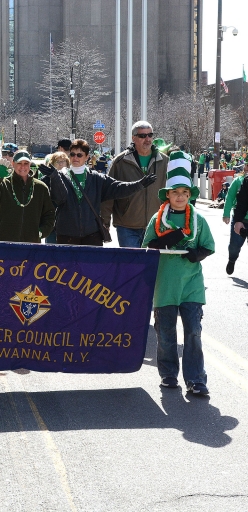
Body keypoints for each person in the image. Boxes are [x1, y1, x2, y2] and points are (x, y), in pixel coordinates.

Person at [142, 151, 214, 395]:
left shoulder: (198, 219)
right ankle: (168, 374)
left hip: (191, 285)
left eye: (185, 193)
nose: (180, 197)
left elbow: (208, 246)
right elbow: (147, 248)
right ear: (168, 195)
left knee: (193, 332)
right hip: (165, 286)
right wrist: (167, 240)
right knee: (165, 333)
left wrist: (198, 254)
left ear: (189, 195)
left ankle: (196, 379)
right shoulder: (157, 219)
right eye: (176, 192)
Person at [45, 139, 157, 246]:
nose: (75, 157)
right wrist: (52, 178)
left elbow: (119, 187)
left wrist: (139, 184)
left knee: (92, 266)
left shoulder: (96, 178)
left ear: (87, 157)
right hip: (66, 235)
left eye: (79, 155)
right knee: (67, 266)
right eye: (72, 154)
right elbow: (54, 198)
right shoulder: (60, 176)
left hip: (92, 235)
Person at [101, 121, 168, 248]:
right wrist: (105, 222)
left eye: (150, 135)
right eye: (142, 136)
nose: (147, 139)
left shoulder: (164, 161)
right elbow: (108, 192)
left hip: (156, 224)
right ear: (134, 138)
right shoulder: (120, 162)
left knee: (153, 265)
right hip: (127, 226)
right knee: (131, 266)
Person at [0, 150, 55, 243]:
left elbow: (49, 214)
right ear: (13, 163)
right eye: (19, 163)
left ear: (30, 164)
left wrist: (41, 232)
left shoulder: (41, 187)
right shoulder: (4, 184)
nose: (23, 166)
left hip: (31, 245)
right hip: (4, 244)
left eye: (26, 163)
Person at [39, 151, 70, 244]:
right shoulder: (45, 180)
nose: (61, 164)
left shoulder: (71, 179)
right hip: (52, 222)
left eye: (63, 161)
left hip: (69, 222)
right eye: (58, 162)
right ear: (51, 164)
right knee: (51, 251)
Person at [224, 164, 248, 275]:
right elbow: (230, 197)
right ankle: (232, 260)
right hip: (241, 219)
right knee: (235, 245)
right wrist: (226, 213)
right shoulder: (239, 181)